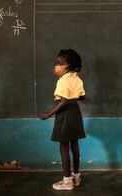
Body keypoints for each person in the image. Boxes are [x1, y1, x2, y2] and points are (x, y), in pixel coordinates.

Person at [39, 49, 86, 190]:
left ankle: (67, 181)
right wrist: (73, 96)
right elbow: (82, 97)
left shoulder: (62, 81)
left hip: (65, 114)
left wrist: (49, 114)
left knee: (64, 146)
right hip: (75, 113)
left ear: (67, 66)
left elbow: (64, 101)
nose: (56, 66)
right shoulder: (77, 78)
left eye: (59, 63)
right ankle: (76, 177)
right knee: (74, 145)